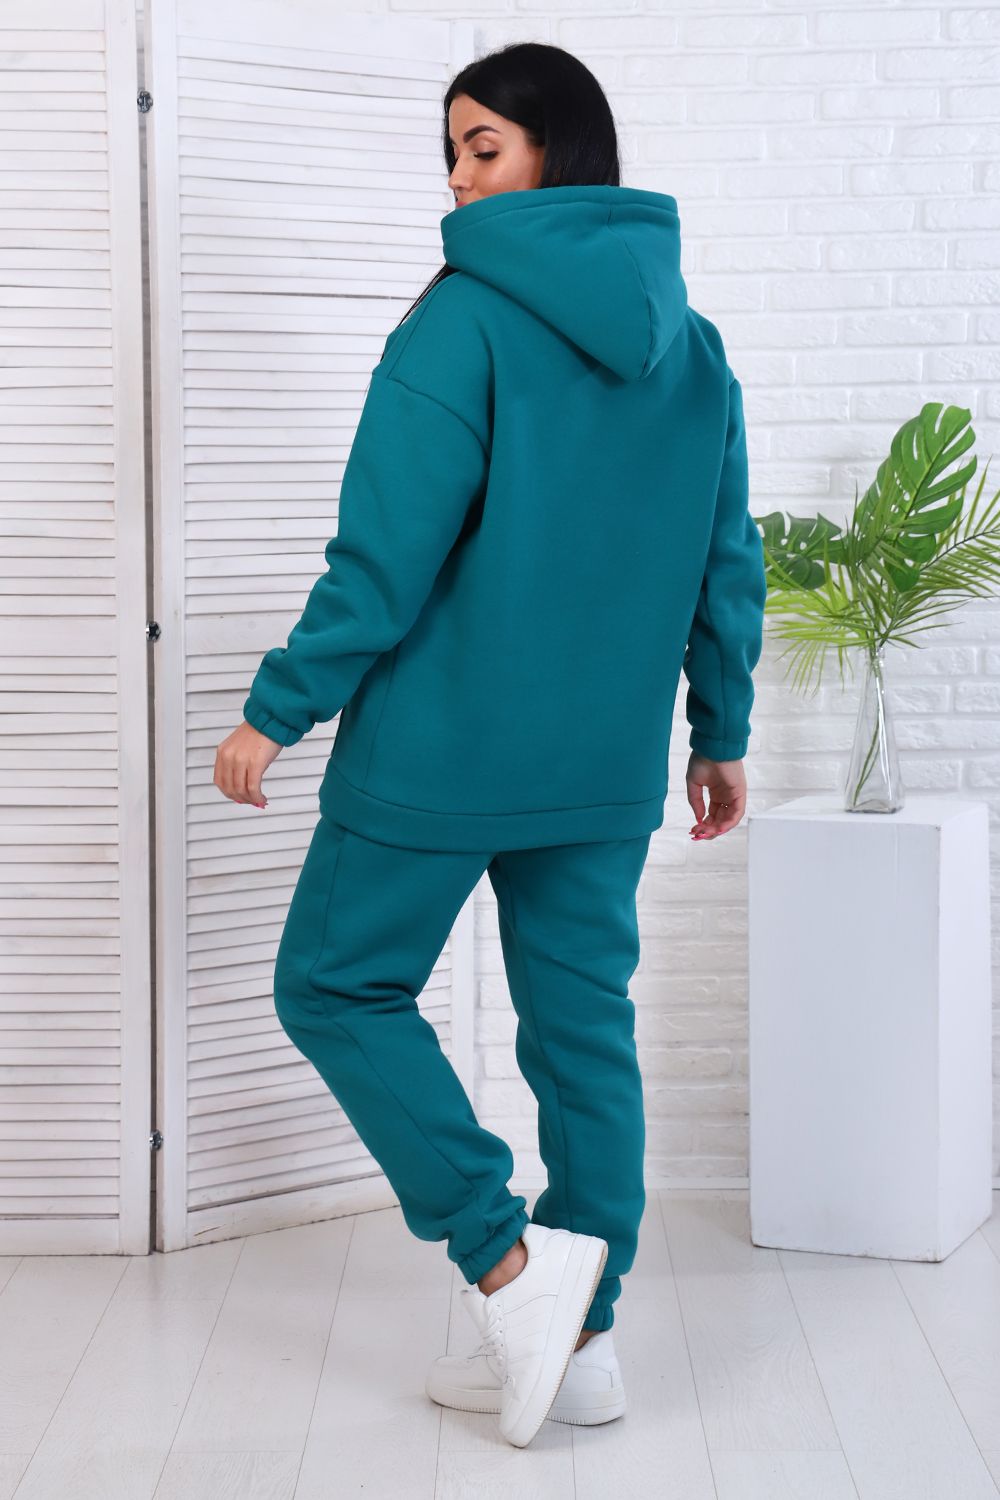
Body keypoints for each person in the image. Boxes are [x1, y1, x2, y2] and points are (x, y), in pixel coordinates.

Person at [213, 41, 766, 1445]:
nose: (459, 180)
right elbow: (726, 561)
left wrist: (279, 707)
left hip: (439, 752)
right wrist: (719, 729)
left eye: (484, 147)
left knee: (333, 987)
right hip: (601, 762)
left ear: (556, 150)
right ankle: (585, 1344)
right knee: (584, 1040)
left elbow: (382, 557)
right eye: (452, 152)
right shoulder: (693, 345)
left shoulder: (460, 321)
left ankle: (512, 1272)